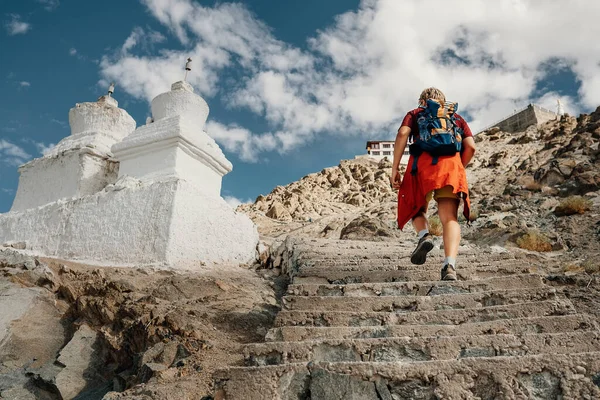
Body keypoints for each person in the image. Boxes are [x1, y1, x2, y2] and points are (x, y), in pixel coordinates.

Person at [390, 88, 476, 280]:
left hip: (420, 167)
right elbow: (471, 147)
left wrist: (395, 168)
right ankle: (449, 266)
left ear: (422, 100)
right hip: (450, 168)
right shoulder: (457, 118)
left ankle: (424, 235)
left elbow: (403, 133)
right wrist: (458, 168)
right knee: (449, 218)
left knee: (416, 209)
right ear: (443, 102)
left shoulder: (416, 113)